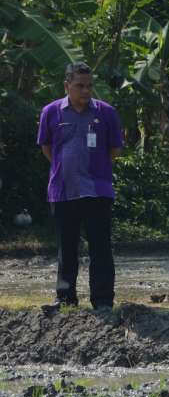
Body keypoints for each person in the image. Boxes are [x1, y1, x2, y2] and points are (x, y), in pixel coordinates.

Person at [37, 61, 124, 312]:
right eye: (79, 86)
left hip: (98, 191)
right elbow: (47, 148)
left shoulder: (106, 112)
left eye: (89, 86)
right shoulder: (51, 112)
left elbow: (115, 148)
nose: (85, 91)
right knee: (67, 246)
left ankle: (103, 300)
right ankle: (65, 298)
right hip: (63, 191)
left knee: (101, 247)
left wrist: (94, 169)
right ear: (67, 86)